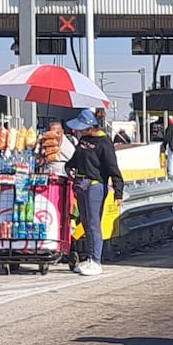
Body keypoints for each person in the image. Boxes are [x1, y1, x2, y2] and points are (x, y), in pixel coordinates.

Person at [65, 109, 124, 277]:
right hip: (81, 185)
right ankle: (89, 258)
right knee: (85, 222)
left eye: (82, 128)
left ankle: (96, 261)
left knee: (93, 224)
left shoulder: (104, 142)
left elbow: (113, 169)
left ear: (91, 127)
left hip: (96, 186)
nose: (80, 131)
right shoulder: (83, 140)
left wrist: (118, 193)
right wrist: (68, 168)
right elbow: (75, 159)